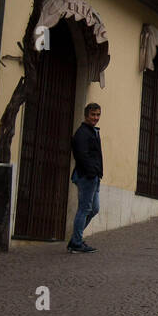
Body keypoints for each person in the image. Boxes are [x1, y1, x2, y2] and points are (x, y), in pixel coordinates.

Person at [67, 102, 103, 253]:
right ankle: (76, 243)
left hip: (93, 176)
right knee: (84, 209)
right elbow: (82, 156)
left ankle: (76, 239)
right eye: (93, 115)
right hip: (86, 176)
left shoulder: (92, 131)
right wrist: (92, 172)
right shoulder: (82, 133)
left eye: (98, 115)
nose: (95, 118)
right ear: (86, 115)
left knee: (94, 209)